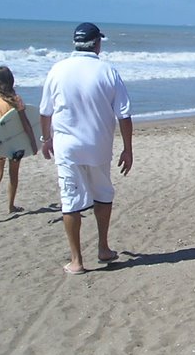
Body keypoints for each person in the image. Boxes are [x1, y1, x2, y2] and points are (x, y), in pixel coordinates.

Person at [40, 23, 133, 276]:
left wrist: (45, 138)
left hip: (67, 146)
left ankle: (76, 260)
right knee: (103, 194)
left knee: (70, 201)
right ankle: (103, 247)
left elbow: (45, 111)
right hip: (98, 145)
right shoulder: (107, 71)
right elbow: (124, 115)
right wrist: (128, 149)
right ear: (97, 43)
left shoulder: (57, 69)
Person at [0, 66, 38, 224]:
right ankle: (11, 206)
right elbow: (25, 124)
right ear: (11, 80)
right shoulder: (16, 99)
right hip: (14, 143)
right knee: (13, 175)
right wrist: (33, 144)